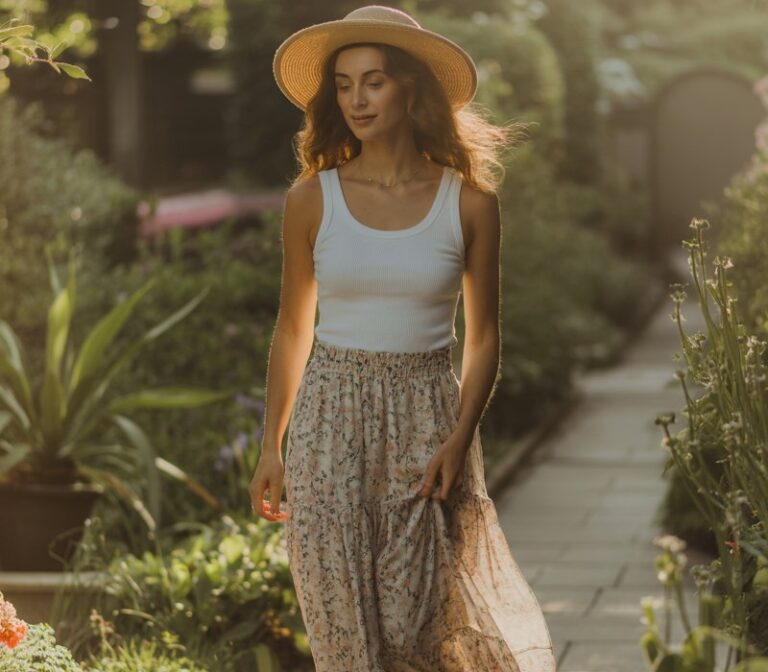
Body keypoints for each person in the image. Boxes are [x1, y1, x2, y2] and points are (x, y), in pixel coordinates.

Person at [249, 5, 557, 671]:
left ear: (411, 88)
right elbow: (293, 326)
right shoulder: (311, 198)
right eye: (343, 84)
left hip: (426, 419)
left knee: (416, 634)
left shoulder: (470, 203)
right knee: (340, 633)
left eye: (374, 81)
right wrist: (271, 445)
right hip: (326, 420)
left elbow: (482, 338)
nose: (356, 99)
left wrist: (460, 435)